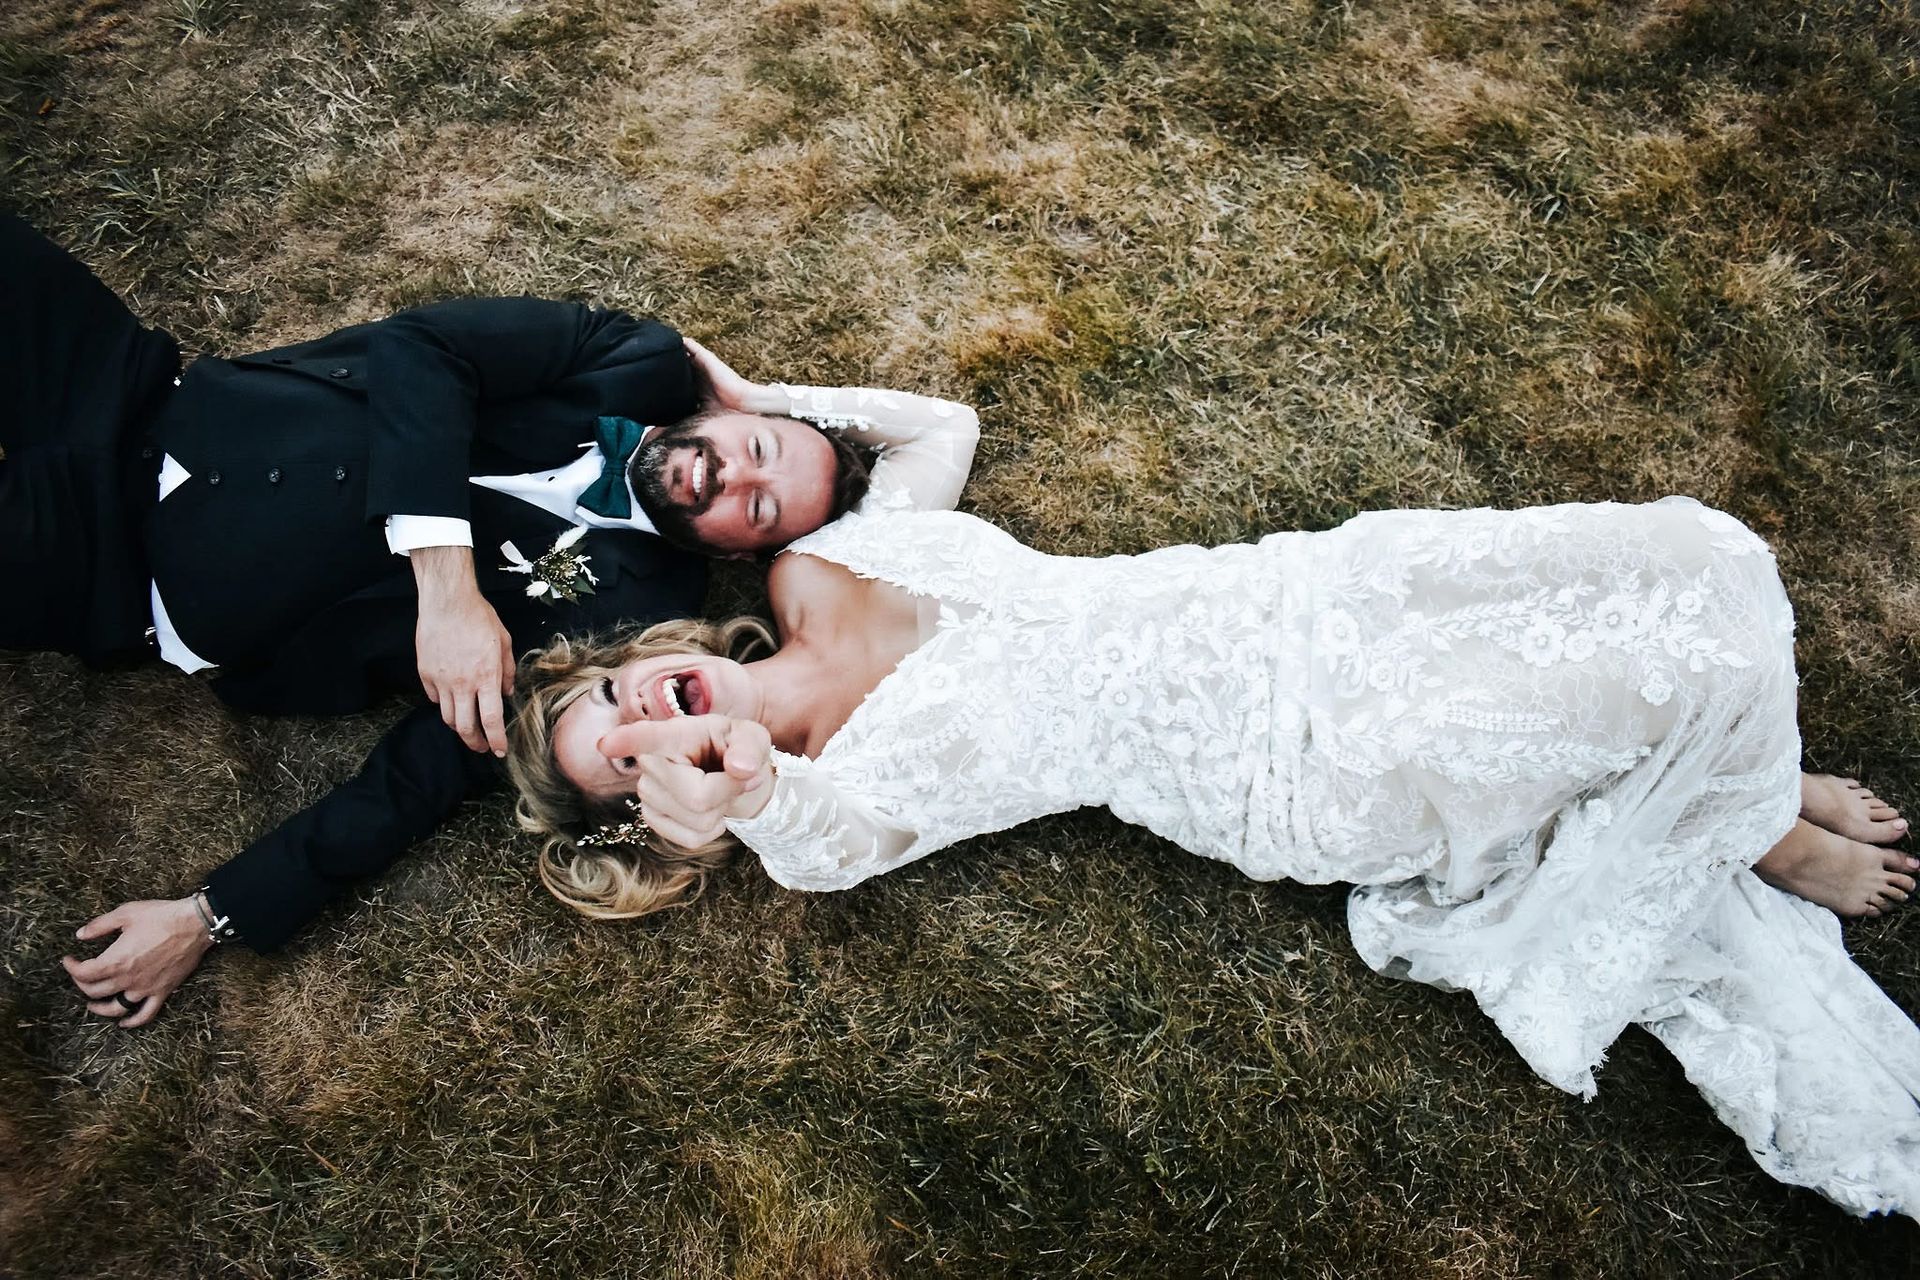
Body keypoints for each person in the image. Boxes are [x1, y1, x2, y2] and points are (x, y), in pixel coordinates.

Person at [507, 362, 1920, 1220]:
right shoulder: (815, 800)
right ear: (660, 805)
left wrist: (765, 404)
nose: (636, 725)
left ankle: (1731, 777)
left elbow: (942, 427)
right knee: (1579, 692)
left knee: (1683, 561)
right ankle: (1758, 821)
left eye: (605, 698)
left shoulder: (812, 565)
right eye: (618, 761)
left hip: (1284, 593)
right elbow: (826, 846)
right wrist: (751, 797)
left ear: (643, 654)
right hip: (1279, 762)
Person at [0, 214, 970, 1026]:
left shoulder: (639, 623)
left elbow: (425, 773)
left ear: (737, 557)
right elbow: (421, 348)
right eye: (754, 445)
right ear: (723, 412)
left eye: (758, 508)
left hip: (107, 574)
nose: (727, 476)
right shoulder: (630, 357)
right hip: (134, 391)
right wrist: (449, 588)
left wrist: (212, 913)